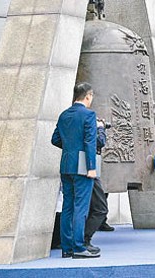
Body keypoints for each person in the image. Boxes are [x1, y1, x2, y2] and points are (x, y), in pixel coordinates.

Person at [51, 82, 100, 259]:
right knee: (80, 207)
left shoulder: (64, 114)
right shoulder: (89, 115)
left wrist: (70, 148)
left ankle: (67, 248)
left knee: (67, 207)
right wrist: (91, 168)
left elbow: (55, 139)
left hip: (66, 165)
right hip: (82, 167)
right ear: (88, 96)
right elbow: (90, 143)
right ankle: (79, 247)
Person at [83, 119, 109, 254]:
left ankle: (74, 242)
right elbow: (100, 142)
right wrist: (100, 129)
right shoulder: (88, 123)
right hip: (88, 169)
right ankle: (83, 240)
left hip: (73, 168)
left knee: (76, 208)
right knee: (100, 208)